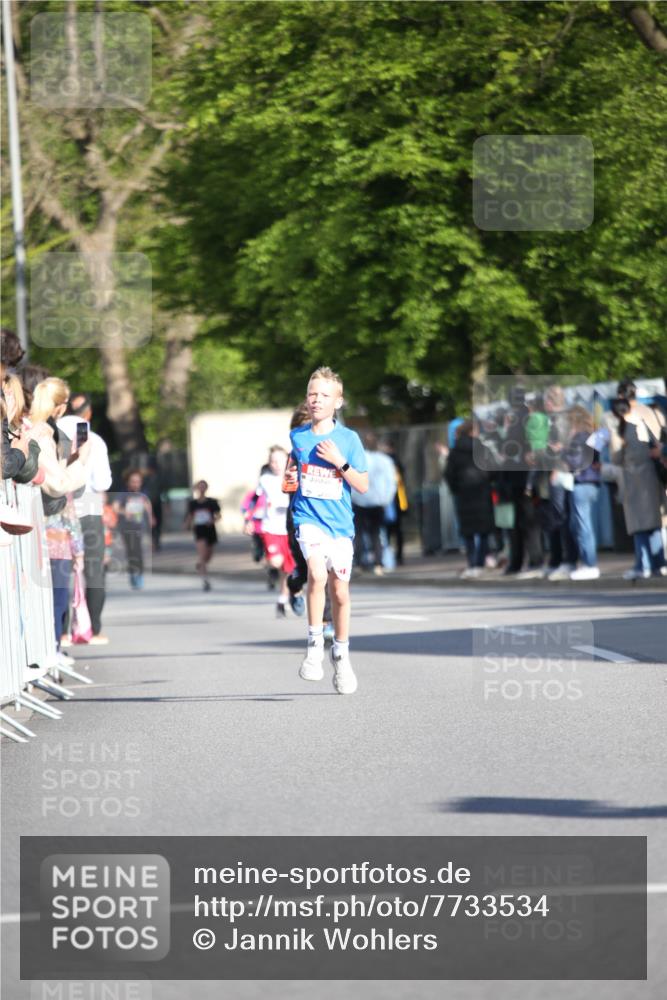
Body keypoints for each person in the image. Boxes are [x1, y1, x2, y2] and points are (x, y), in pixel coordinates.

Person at [286, 366, 368, 694]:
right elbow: (294, 475)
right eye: (312, 394)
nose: (316, 400)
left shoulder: (349, 440)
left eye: (323, 395)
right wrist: (289, 482)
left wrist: (339, 462)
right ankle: (314, 648)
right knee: (316, 575)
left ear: (338, 402)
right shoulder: (298, 436)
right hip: (308, 520)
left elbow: (362, 485)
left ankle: (342, 654)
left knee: (341, 592)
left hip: (339, 526)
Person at [58, 392, 113, 644]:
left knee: (59, 568)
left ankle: (63, 629)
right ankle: (93, 628)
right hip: (88, 506)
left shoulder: (54, 429)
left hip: (58, 505)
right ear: (89, 412)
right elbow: (103, 482)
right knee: (93, 569)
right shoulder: (95, 439)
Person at [611, 379, 666, 579]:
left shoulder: (625, 418)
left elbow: (617, 456)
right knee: (655, 521)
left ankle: (642, 563)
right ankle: (658, 563)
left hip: (635, 476)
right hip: (656, 473)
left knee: (639, 523)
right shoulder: (654, 412)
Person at [444, 420, 495, 578]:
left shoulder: (455, 451)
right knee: (484, 530)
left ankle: (472, 563)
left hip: (464, 493)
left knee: (468, 531)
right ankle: (481, 562)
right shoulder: (483, 448)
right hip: (482, 491)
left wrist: (455, 489)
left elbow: (448, 474)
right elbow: (493, 468)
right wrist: (488, 482)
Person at [256, 445, 296, 617]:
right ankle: (271, 569)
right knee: (276, 562)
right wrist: (250, 519)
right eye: (273, 461)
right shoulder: (265, 479)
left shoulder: (294, 477)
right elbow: (255, 500)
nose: (276, 464)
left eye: (279, 461)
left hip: (289, 527)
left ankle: (283, 598)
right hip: (271, 527)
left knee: (288, 569)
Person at [563, 405, 601, 580]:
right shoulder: (590, 434)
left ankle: (590, 564)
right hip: (589, 482)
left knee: (583, 526)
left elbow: (576, 460)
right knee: (579, 524)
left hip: (582, 482)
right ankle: (587, 563)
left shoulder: (580, 437)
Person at [351, 432, 396, 575]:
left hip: (359, 500)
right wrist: (386, 499)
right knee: (376, 533)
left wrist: (353, 497)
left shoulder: (357, 459)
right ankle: (378, 563)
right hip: (378, 501)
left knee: (358, 533)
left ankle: (359, 563)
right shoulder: (385, 460)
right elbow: (391, 482)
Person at [114, 469, 155, 589]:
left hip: (139, 527)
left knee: (139, 552)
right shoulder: (123, 494)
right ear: (128, 482)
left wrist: (151, 517)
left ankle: (139, 575)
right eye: (133, 481)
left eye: (138, 481)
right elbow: (115, 507)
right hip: (127, 528)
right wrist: (124, 512)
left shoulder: (143, 493)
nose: (136, 484)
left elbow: (147, 505)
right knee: (132, 552)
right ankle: (133, 573)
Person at [184, 480, 221, 591]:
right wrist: (187, 525)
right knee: (202, 553)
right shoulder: (193, 503)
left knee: (208, 555)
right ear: (196, 488)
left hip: (210, 529)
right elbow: (190, 516)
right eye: (199, 487)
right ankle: (205, 580)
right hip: (199, 530)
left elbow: (218, 515)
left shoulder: (212, 502)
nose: (201, 489)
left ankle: (200, 564)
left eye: (203, 487)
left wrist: (212, 520)